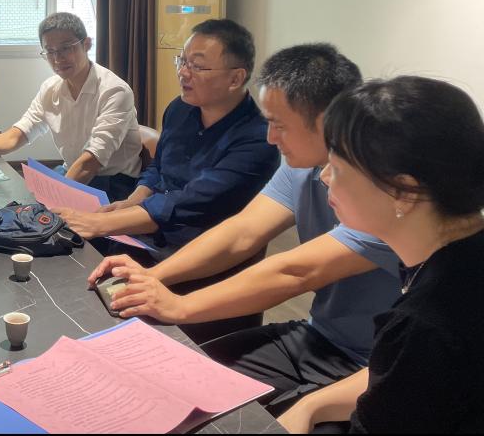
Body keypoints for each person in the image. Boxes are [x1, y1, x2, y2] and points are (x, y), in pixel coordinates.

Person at [87, 44, 403, 412]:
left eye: (279, 124)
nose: (270, 137)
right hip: (318, 336)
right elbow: (242, 232)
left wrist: (180, 307)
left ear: (327, 122)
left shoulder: (380, 193)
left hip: (372, 368)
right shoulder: (300, 167)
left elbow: (297, 272)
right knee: (176, 384)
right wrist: (155, 276)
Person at [277, 76, 484, 433]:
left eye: (338, 168)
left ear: (403, 191)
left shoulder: (425, 324)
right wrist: (311, 405)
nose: (324, 177)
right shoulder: (460, 252)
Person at [55, 19, 280, 260]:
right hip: (147, 234)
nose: (183, 73)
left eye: (197, 66)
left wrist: (102, 223)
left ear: (235, 79)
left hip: (200, 253)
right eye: (182, 61)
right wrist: (134, 199)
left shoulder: (258, 141)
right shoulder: (180, 109)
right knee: (58, 245)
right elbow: (159, 166)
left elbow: (190, 203)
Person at [0, 12, 142, 201]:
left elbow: (92, 161)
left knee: (34, 215)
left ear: (86, 44)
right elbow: (17, 135)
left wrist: (54, 199)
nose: (57, 59)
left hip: (113, 183)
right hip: (73, 170)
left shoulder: (114, 91)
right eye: (50, 51)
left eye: (66, 48)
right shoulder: (51, 88)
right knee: (12, 205)